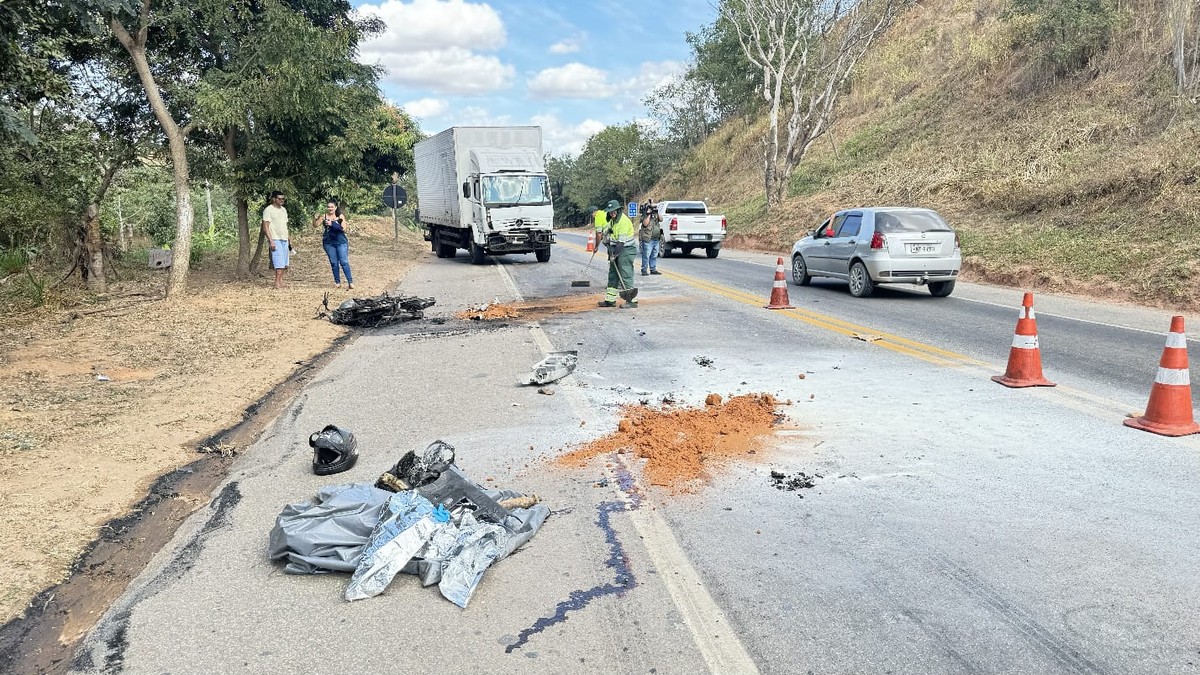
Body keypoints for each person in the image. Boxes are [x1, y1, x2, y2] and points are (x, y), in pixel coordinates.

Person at [598, 199, 638, 308]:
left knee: (625, 274)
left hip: (626, 250)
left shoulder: (623, 222)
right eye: (610, 211)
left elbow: (621, 243)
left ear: (618, 210)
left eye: (614, 211)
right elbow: (607, 231)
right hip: (615, 249)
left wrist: (614, 255)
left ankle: (632, 301)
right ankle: (610, 300)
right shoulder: (612, 221)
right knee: (613, 275)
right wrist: (605, 238)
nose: (612, 213)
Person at [314, 201, 353, 290]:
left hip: (341, 241)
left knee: (344, 262)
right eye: (328, 207)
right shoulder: (324, 216)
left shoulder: (340, 216)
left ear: (335, 207)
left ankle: (350, 282)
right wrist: (315, 218)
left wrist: (333, 224)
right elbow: (316, 225)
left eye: (332, 207)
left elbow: (344, 229)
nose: (330, 208)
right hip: (329, 242)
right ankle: (337, 282)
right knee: (334, 262)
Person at [262, 191, 289, 289]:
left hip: (284, 238)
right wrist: (271, 241)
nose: (282, 201)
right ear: (274, 199)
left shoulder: (283, 210)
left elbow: (285, 225)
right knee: (279, 262)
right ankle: (277, 283)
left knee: (285, 263)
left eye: (283, 199)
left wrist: (289, 239)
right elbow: (266, 227)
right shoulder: (268, 210)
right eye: (280, 199)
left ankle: (281, 282)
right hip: (275, 238)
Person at [638, 198, 662, 276]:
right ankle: (644, 270)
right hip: (648, 239)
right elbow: (645, 224)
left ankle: (653, 269)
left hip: (656, 238)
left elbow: (661, 219)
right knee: (646, 255)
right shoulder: (645, 215)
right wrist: (649, 214)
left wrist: (657, 212)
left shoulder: (655, 215)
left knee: (654, 255)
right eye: (652, 208)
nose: (653, 209)